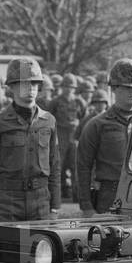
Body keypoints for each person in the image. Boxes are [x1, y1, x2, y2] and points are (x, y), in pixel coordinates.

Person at [0, 58, 60, 223]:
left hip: (40, 201)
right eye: (24, 84)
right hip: (8, 201)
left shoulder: (48, 121)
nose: (31, 89)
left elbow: (54, 166)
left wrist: (55, 207)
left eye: (34, 84)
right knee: (8, 247)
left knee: (41, 247)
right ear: (11, 87)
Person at [76, 58, 132, 216]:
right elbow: (83, 167)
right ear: (114, 88)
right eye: (127, 87)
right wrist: (86, 206)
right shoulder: (97, 125)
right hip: (109, 195)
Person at [47, 72, 86, 203]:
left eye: (71, 87)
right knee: (58, 167)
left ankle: (76, 196)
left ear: (74, 88)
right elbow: (49, 118)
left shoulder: (79, 101)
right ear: (62, 87)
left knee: (75, 166)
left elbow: (83, 116)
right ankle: (57, 196)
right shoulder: (55, 102)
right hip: (60, 137)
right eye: (66, 87)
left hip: (74, 137)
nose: (69, 89)